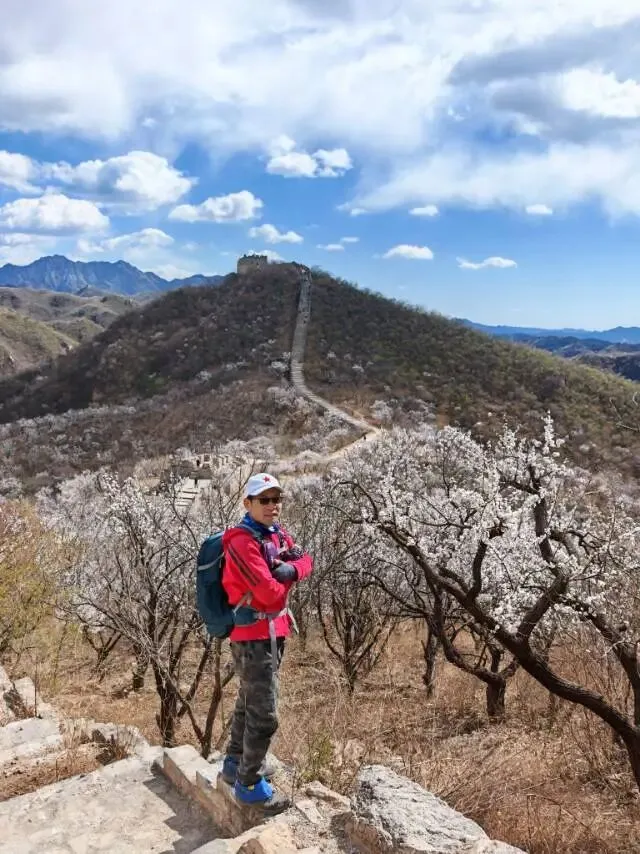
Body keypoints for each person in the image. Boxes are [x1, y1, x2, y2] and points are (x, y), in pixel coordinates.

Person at [221, 472, 313, 813]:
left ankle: (235, 763)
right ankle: (249, 784)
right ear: (248, 503)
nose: (272, 505)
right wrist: (288, 571)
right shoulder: (243, 543)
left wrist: (292, 569)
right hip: (253, 637)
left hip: (272, 632)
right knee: (265, 714)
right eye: (264, 500)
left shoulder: (275, 534)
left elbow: (306, 560)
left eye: (276, 499)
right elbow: (271, 594)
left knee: (249, 701)